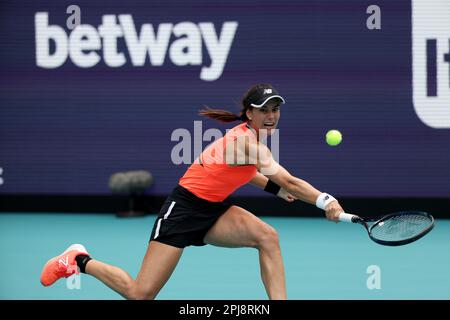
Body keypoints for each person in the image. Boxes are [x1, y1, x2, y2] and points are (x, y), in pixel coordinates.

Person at [40, 83, 345, 300]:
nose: (272, 115)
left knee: (267, 237)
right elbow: (289, 180)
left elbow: (247, 173)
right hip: (183, 210)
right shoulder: (244, 142)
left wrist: (273, 190)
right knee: (140, 294)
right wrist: (325, 201)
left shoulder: (250, 142)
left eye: (276, 109)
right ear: (250, 113)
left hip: (214, 210)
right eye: (265, 109)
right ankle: (78, 260)